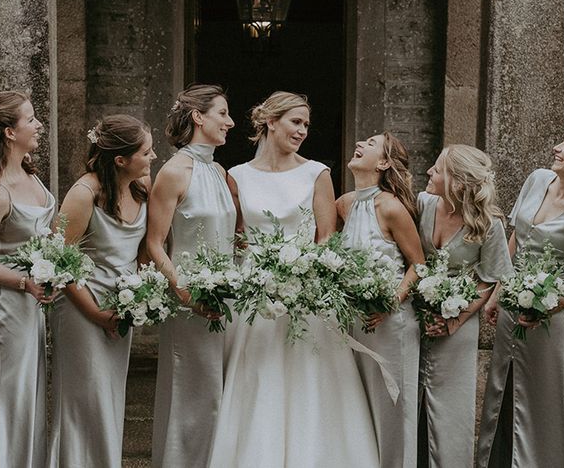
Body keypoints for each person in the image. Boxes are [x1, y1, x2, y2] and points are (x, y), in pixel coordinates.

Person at [208, 91, 380, 468]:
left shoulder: (316, 173)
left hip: (306, 292)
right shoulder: (236, 176)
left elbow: (325, 238)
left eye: (305, 124)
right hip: (253, 294)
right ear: (271, 122)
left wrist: (303, 275)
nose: (302, 130)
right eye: (295, 122)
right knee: (257, 379)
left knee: (309, 381)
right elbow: (238, 237)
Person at [476, 124, 564, 468]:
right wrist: (497, 291)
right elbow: (516, 237)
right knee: (502, 388)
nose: (557, 148)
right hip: (513, 303)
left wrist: (556, 305)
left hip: (550, 317)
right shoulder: (538, 179)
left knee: (543, 400)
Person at [49, 115, 155, 468]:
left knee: (110, 396)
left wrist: (139, 296)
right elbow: (57, 263)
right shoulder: (82, 195)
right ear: (121, 160)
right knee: (83, 398)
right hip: (83, 305)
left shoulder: (142, 186)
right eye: (146, 152)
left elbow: (143, 249)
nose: (152, 157)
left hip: (121, 304)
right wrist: (95, 313)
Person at [0, 90, 55, 467]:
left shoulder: (30, 173)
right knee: (6, 390)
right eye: (30, 119)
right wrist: (24, 283)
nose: (38, 125)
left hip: (30, 296)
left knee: (27, 389)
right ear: (8, 132)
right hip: (5, 299)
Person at [147, 84, 237, 468]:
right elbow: (153, 244)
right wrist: (185, 294)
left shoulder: (219, 171)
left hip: (226, 298)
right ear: (199, 117)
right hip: (188, 299)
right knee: (193, 392)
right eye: (222, 113)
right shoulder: (173, 171)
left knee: (222, 392)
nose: (230, 122)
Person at [416, 145, 512, 468]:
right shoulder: (423, 204)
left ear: (457, 182)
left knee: (451, 407)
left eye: (438, 169)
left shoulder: (488, 223)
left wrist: (455, 321)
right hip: (419, 316)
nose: (429, 171)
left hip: (460, 322)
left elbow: (489, 280)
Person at [338, 132, 426, 468]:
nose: (360, 143)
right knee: (358, 405)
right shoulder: (343, 204)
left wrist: (390, 302)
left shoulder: (391, 207)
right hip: (352, 322)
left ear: (384, 163)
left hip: (391, 322)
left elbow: (418, 264)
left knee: (394, 407)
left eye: (371, 144)